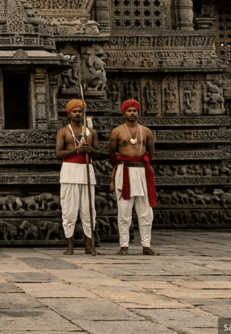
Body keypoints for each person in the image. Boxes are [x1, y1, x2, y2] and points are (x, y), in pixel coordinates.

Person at [109, 99, 159, 256]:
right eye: (129, 110)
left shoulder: (146, 131)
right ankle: (123, 246)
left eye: (134, 111)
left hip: (142, 172)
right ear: (123, 113)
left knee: (145, 212)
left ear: (138, 113)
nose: (132, 113)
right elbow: (112, 154)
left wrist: (139, 163)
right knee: (124, 210)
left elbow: (151, 153)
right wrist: (124, 163)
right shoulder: (117, 131)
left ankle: (146, 245)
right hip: (124, 171)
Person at [55, 99, 99, 256]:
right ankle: (70, 246)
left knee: (88, 210)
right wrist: (76, 150)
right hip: (69, 172)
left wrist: (90, 150)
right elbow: (59, 154)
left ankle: (89, 245)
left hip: (87, 171)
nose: (78, 114)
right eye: (75, 111)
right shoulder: (63, 132)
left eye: (80, 111)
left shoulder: (91, 132)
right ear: (69, 113)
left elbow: (99, 153)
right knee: (69, 210)